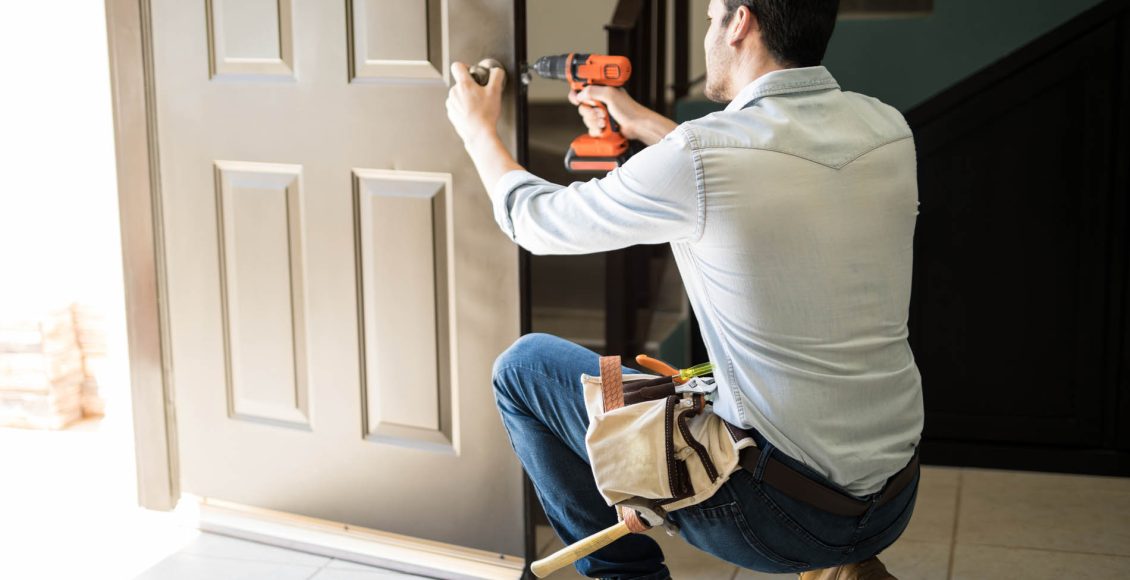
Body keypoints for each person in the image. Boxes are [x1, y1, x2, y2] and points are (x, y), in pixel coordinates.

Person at [445, 0, 922, 578]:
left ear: (740, 22)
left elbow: (536, 221)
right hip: (891, 499)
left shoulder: (700, 155)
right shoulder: (887, 127)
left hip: (776, 512)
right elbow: (747, 169)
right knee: (655, 386)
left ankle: (628, 576)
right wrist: (639, 121)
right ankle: (842, 565)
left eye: (710, 17)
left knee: (524, 368)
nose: (707, 34)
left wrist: (477, 129)